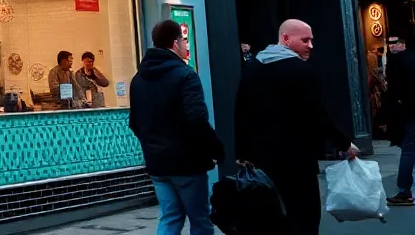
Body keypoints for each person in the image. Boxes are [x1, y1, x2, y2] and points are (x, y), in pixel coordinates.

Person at [235, 19, 358, 234]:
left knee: (270, 215)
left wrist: (242, 151)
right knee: (304, 215)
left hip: (261, 158)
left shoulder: (253, 67)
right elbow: (316, 114)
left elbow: (241, 110)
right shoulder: (301, 70)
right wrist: (344, 143)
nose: (310, 45)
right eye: (305, 40)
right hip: (296, 158)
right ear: (286, 38)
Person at [129, 20, 224, 235]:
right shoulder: (186, 75)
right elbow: (197, 120)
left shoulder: (138, 80)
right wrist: (216, 150)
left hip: (157, 164)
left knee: (170, 217)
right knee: (200, 219)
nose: (185, 44)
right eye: (183, 40)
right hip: (187, 163)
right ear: (175, 43)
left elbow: (135, 122)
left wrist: (152, 147)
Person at [383, 32, 415, 206]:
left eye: (395, 43)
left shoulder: (399, 60)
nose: (392, 46)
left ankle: (404, 191)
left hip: (410, 111)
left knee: (409, 151)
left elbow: (394, 89)